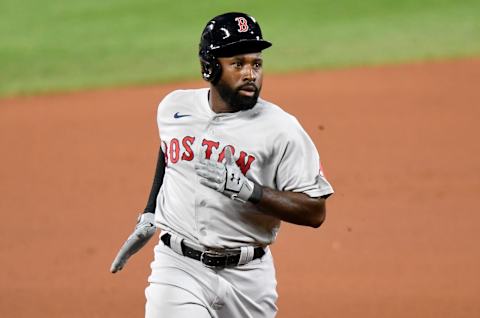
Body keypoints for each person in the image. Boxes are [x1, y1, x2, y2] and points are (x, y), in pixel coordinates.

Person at [110, 12, 334, 318]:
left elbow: (315, 211)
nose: (250, 74)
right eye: (238, 64)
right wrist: (151, 211)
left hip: (249, 279)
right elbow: (169, 149)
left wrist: (250, 191)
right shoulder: (174, 107)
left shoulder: (282, 128)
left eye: (256, 63)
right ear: (209, 68)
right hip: (178, 268)